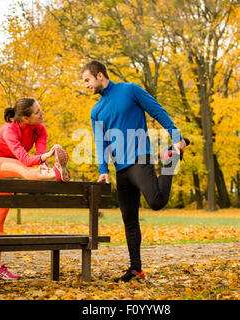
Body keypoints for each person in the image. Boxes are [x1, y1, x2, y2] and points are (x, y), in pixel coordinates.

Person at [81, 61, 189, 282]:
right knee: (129, 220)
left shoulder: (130, 90)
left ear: (99, 75)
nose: (85, 85)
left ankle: (171, 157)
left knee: (157, 202)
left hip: (140, 159)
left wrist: (176, 139)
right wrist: (103, 169)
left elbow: (157, 111)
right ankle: (135, 268)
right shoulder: (96, 111)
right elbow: (100, 142)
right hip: (121, 169)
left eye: (87, 80)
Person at [0, 97, 70, 280]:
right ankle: (57, 173)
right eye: (38, 112)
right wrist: (46, 160)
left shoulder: (40, 130)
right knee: (23, 169)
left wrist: (44, 163)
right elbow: (25, 160)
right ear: (25, 119)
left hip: (8, 171)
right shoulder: (9, 131)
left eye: (40, 109)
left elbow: (39, 157)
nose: (42, 113)